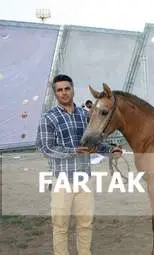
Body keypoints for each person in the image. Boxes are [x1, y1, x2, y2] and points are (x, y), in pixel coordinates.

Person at [36, 74, 122, 255]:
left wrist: (110, 151)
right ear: (55, 94)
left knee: (85, 224)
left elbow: (93, 143)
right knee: (60, 226)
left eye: (67, 88)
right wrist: (73, 151)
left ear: (73, 90)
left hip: (84, 180)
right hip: (62, 180)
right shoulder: (49, 118)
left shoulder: (85, 115)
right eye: (59, 90)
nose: (64, 93)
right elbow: (45, 147)